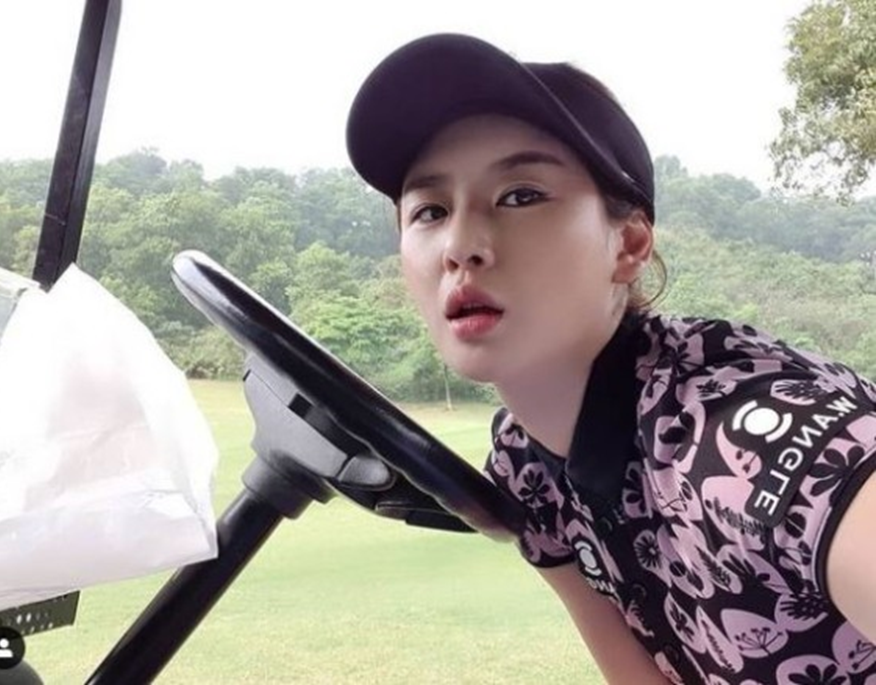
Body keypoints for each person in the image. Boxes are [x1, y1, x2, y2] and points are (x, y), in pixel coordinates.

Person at [345, 33, 876, 684]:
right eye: (429, 210)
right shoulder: (525, 467)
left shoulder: (745, 433)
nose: (461, 245)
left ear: (628, 244)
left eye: (520, 195)